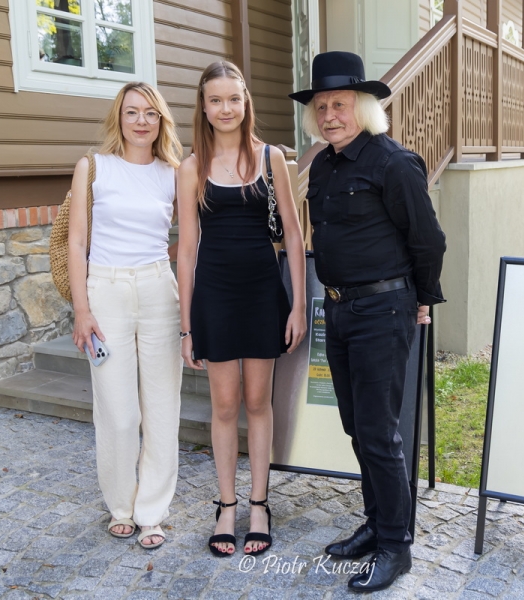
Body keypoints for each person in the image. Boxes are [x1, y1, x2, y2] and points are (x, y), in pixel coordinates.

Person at [290, 51, 447, 593]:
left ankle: (396, 547)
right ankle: (378, 524)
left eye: (340, 104)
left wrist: (422, 298)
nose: (329, 115)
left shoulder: (393, 163)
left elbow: (428, 240)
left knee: (379, 432)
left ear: (362, 106)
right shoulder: (324, 165)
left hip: (383, 310)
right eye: (321, 106)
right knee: (357, 426)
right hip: (338, 309)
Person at [177, 61, 307, 558]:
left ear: (246, 101)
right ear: (204, 106)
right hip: (215, 297)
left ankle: (259, 506)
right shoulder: (191, 167)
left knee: (258, 401)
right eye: (216, 100)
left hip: (261, 294)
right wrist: (187, 326)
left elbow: (293, 234)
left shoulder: (272, 158)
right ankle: (226, 507)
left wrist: (297, 304)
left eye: (234, 98)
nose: (226, 108)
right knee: (225, 405)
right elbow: (186, 251)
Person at [67, 81, 183, 550]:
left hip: (158, 291)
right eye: (132, 112)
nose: (141, 121)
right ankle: (120, 506)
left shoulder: (173, 172)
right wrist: (81, 309)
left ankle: (152, 511)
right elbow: (77, 241)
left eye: (151, 113)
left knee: (162, 407)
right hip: (106, 292)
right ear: (119, 117)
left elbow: (192, 238)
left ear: (161, 121)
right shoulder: (93, 167)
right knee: (117, 411)